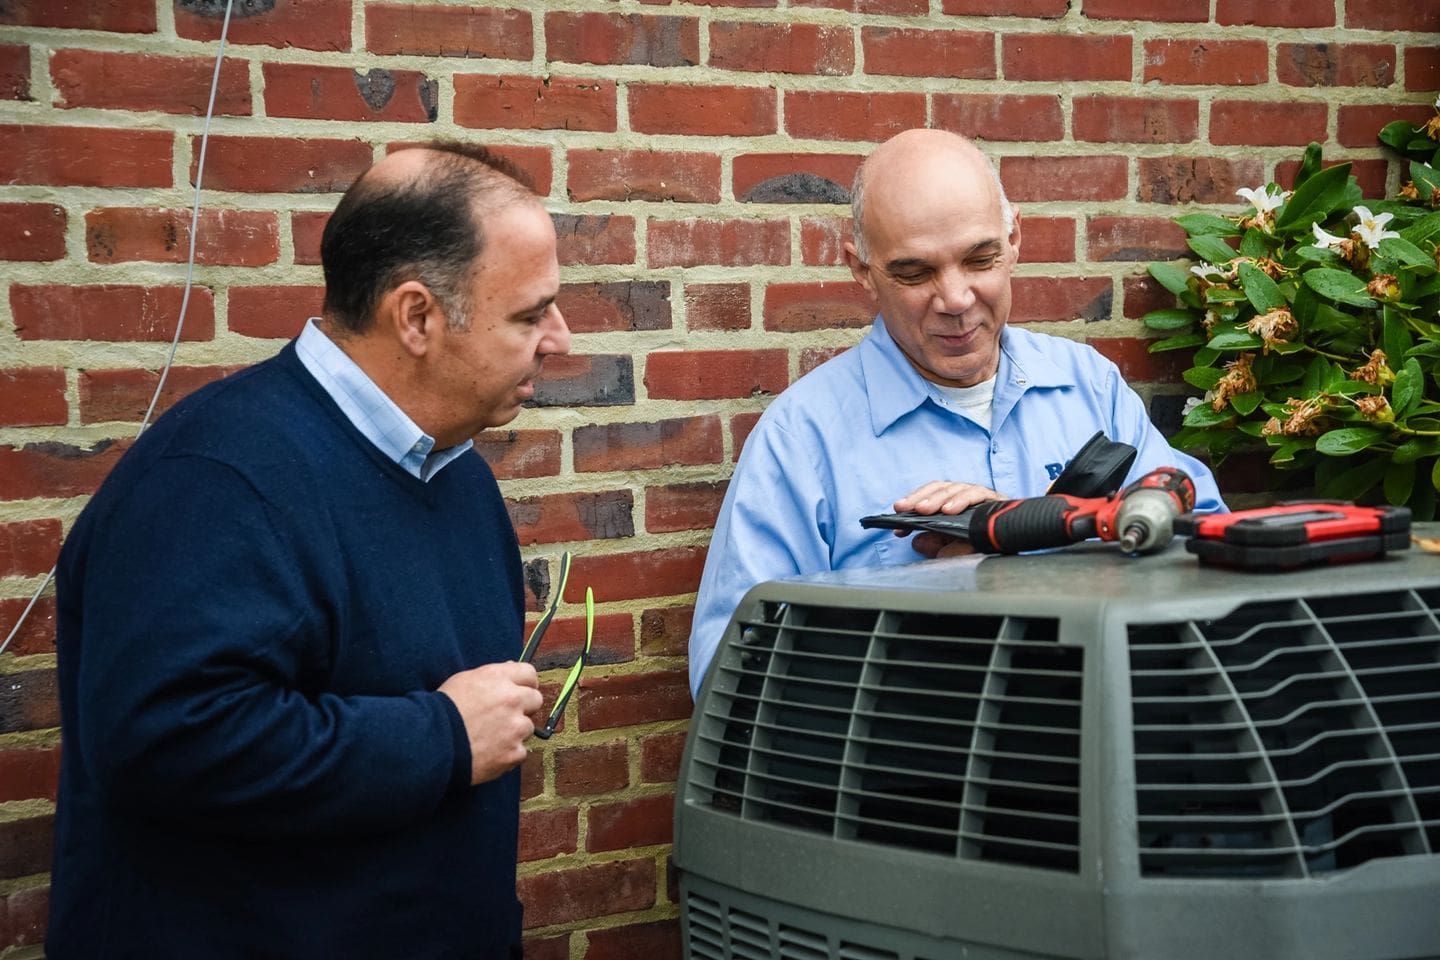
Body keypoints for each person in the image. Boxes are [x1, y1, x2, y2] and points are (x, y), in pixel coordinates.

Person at [47, 143, 571, 958]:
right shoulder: (217, 479)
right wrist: (439, 737)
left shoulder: (455, 475)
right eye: (530, 314)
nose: (559, 340)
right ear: (418, 317)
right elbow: (165, 739)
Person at [687, 129, 1224, 695]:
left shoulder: (1090, 386)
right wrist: (932, 607)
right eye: (915, 273)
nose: (956, 299)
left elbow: (1210, 556)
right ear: (861, 269)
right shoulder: (801, 440)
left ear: (1014, 236)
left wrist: (1025, 543)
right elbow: (730, 675)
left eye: (980, 258)